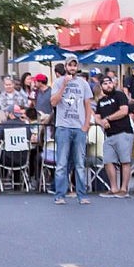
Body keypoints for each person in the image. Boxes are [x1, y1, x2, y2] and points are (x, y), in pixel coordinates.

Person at [50, 55, 93, 205]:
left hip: (79, 127)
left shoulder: (83, 83)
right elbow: (54, 102)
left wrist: (86, 125)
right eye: (70, 65)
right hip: (63, 127)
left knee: (80, 163)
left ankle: (81, 194)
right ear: (66, 66)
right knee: (61, 163)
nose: (72, 68)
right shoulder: (58, 82)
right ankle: (60, 195)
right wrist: (64, 86)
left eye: (75, 65)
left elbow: (88, 105)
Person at [95, 75, 134, 198]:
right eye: (105, 83)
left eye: (109, 82)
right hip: (109, 135)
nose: (108, 85)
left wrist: (108, 118)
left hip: (123, 132)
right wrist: (101, 122)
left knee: (125, 161)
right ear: (101, 87)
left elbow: (124, 111)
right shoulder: (100, 102)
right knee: (108, 161)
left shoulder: (119, 95)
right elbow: (96, 116)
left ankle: (123, 188)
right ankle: (113, 188)